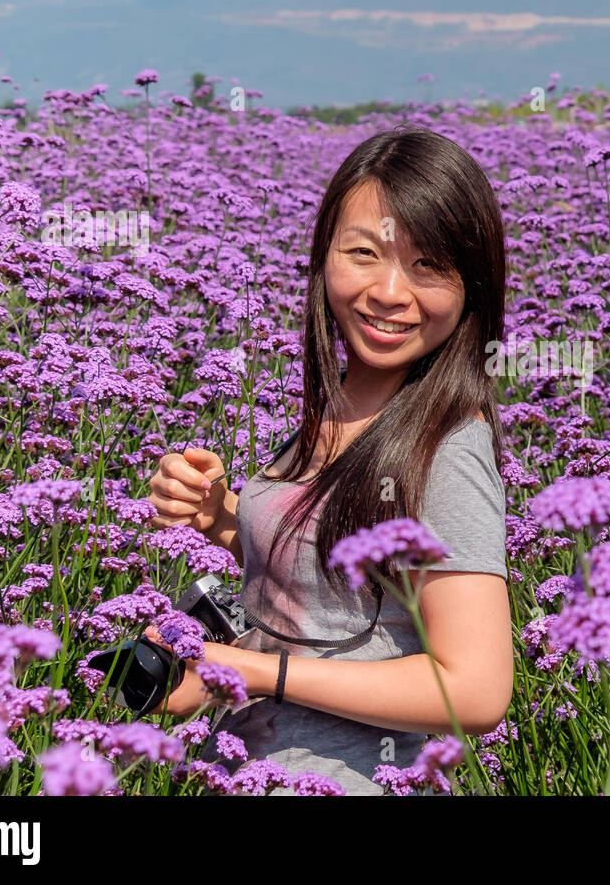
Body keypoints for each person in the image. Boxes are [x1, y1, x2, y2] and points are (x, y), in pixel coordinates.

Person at [140, 126, 513, 795]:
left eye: (429, 265)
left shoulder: (448, 445)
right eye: (363, 252)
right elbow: (338, 587)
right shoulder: (350, 401)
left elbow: (476, 690)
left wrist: (251, 670)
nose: (391, 292)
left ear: (472, 286)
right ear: (322, 257)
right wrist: (220, 517)